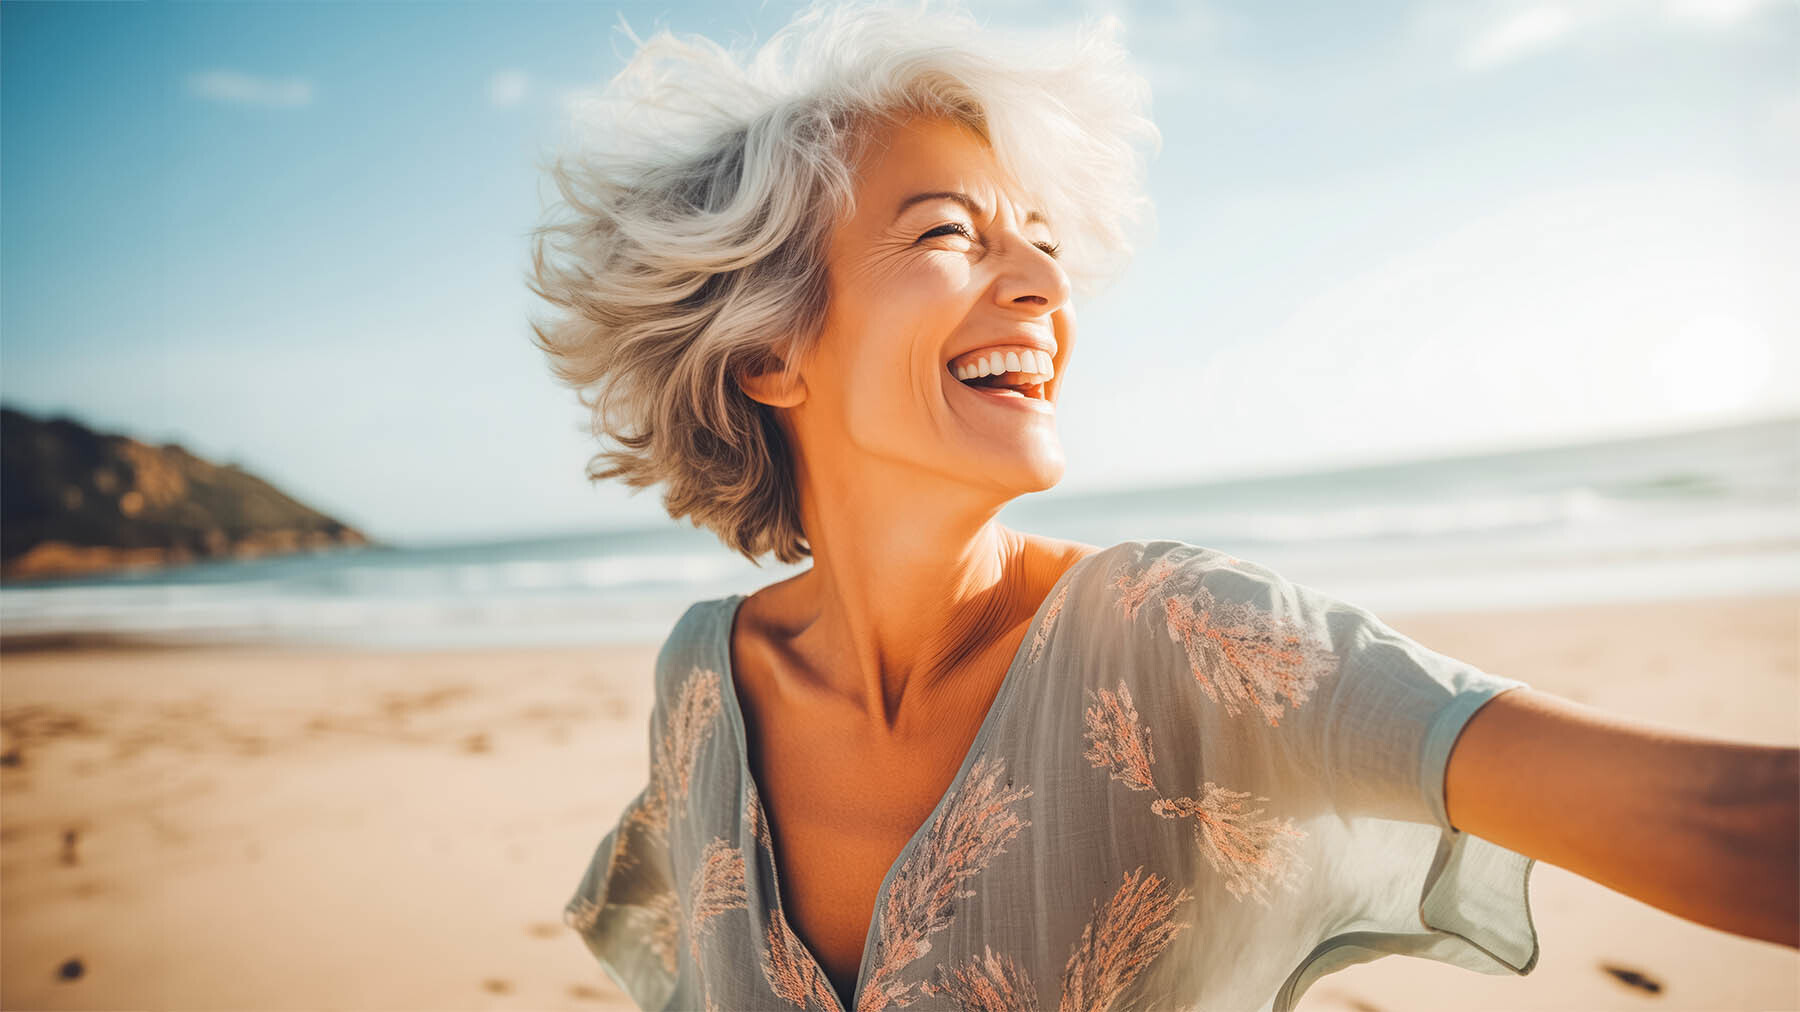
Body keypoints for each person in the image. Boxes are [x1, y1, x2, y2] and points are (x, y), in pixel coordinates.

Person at [529, 4, 1800, 1010]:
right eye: (949, 234)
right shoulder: (704, 683)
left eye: (1042, 240)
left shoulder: (1181, 634)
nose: (1042, 282)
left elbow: (1725, 823)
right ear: (767, 352)